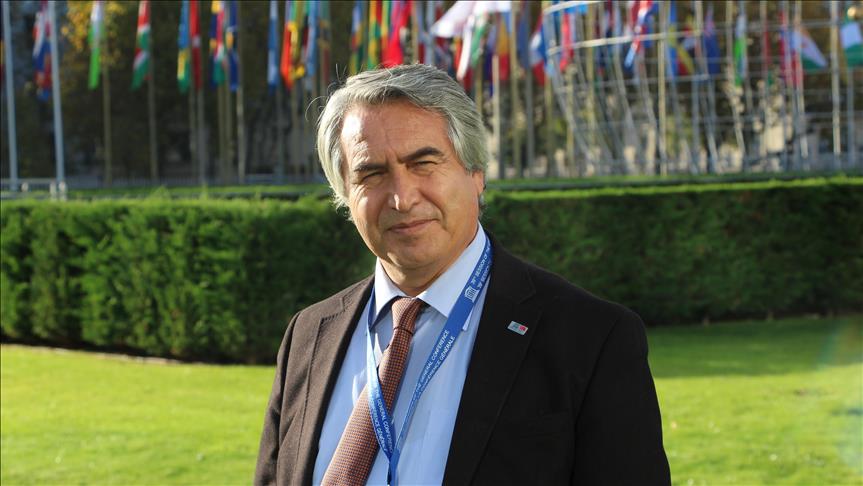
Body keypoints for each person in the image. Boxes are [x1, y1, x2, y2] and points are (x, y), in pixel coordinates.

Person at [255, 64, 670, 486]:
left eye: (423, 163)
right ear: (345, 193)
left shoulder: (590, 340)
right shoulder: (309, 336)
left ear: (476, 173)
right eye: (372, 173)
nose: (401, 198)